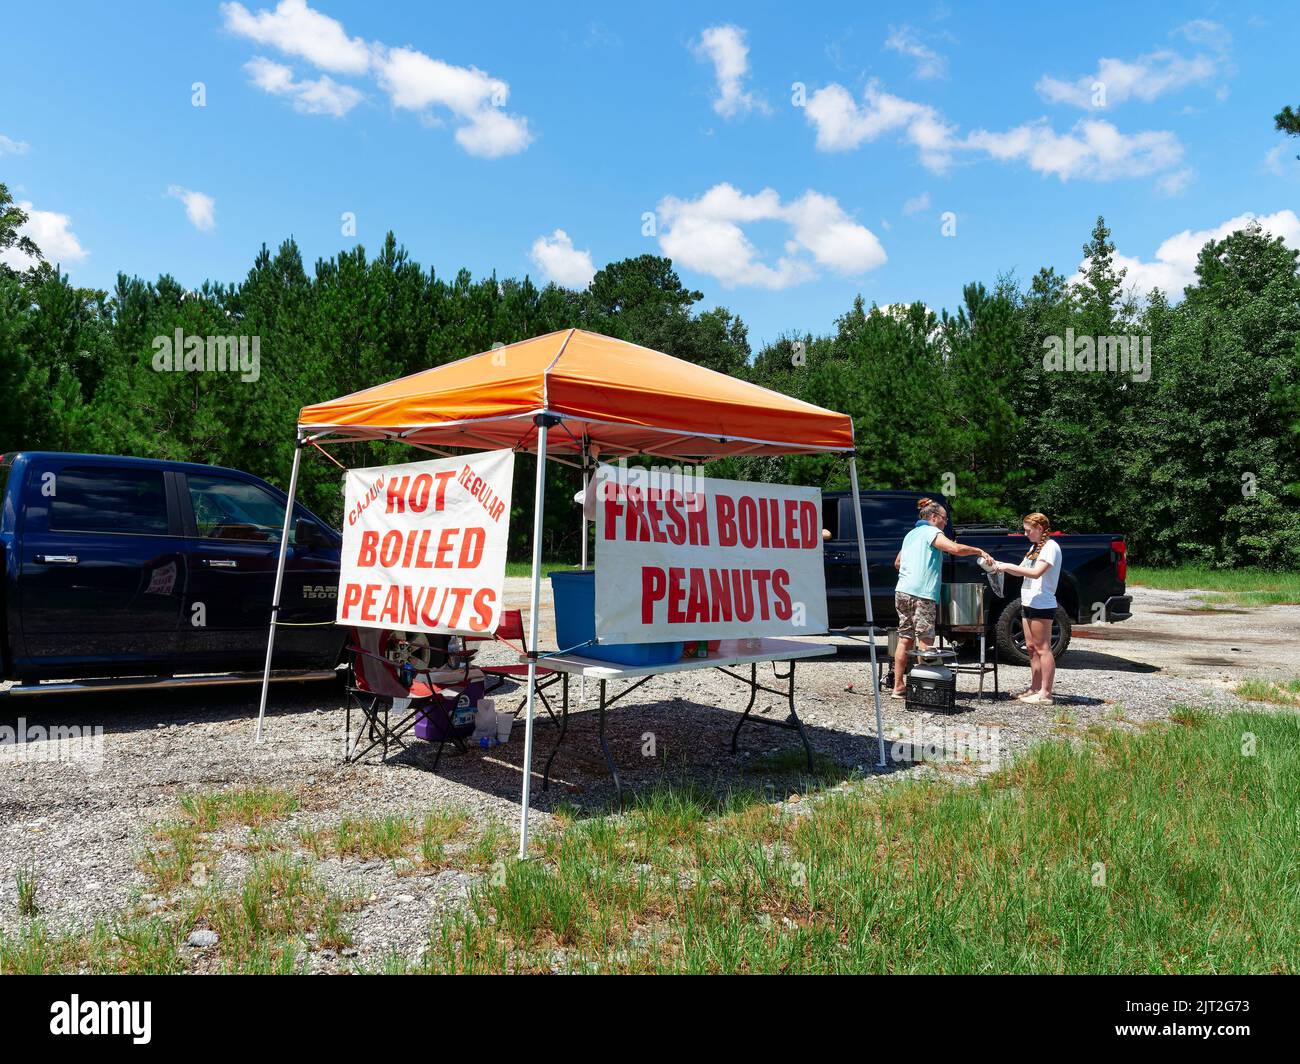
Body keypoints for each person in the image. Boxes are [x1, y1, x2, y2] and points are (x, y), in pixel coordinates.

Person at [891, 498, 992, 698]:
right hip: (922, 594)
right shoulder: (931, 532)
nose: (946, 523)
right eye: (945, 519)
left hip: (902, 591)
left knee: (904, 639)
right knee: (926, 639)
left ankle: (898, 686)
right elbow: (954, 549)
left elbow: (897, 563)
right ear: (934, 517)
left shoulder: (910, 535)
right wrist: (978, 551)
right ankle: (924, 689)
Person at [994, 512, 1061, 705]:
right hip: (1028, 601)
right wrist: (998, 565)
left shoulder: (1050, 547)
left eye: (1028, 530)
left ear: (1040, 529)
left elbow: (1035, 573)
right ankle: (1035, 687)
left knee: (1043, 648)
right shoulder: (1034, 548)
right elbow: (1020, 569)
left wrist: (1006, 566)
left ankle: (1046, 693)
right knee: (1031, 648)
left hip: (1042, 603)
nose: (1026, 534)